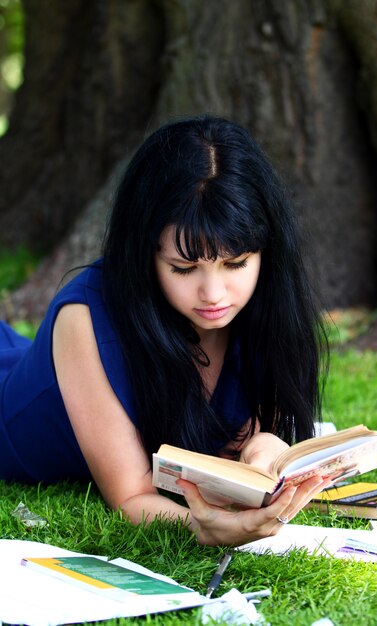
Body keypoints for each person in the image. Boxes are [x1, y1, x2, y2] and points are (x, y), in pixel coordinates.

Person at [0, 115, 331, 546]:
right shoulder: (86, 316)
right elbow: (132, 496)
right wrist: (204, 528)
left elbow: (239, 438)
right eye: (183, 267)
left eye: (235, 263)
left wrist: (264, 452)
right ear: (145, 254)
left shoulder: (261, 304)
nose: (214, 294)